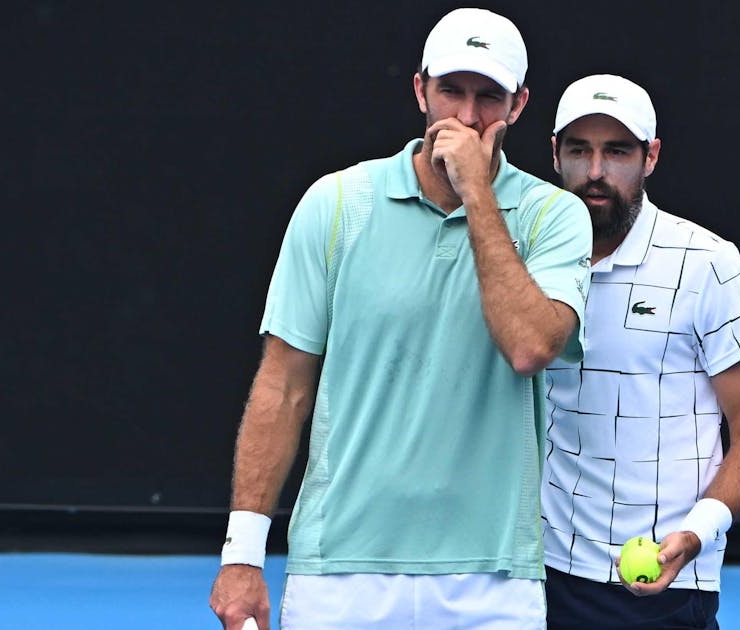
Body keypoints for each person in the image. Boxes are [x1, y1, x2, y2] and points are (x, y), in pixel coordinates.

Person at [209, 9, 592, 630]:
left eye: (488, 98)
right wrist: (243, 555)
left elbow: (529, 347)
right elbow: (283, 386)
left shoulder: (555, 217)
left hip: (492, 581)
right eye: (452, 92)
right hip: (339, 575)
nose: (467, 119)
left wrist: (476, 193)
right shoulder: (335, 205)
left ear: (519, 105)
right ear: (420, 89)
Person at [540, 74, 740, 629]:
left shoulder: (708, 264)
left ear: (651, 157)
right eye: (580, 150)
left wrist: (696, 533)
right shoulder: (525, 257)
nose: (596, 172)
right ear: (555, 154)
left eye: (617, 151)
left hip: (664, 587)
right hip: (538, 576)